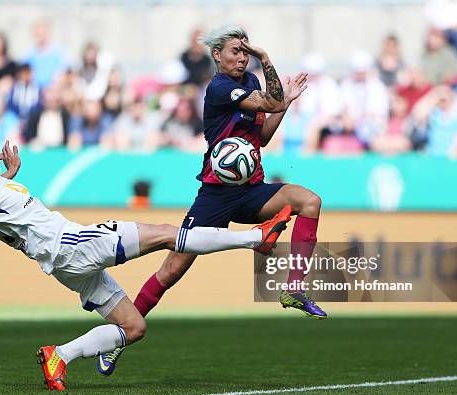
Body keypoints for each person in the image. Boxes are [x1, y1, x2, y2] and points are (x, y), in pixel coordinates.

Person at [0, 128, 291, 391]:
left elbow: (2, 205)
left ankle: (58, 356)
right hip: (73, 245)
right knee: (163, 233)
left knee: (134, 327)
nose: (1, 154)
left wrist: (9, 175)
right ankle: (256, 238)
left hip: (66, 265)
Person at [97, 25, 326, 376]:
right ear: (217, 55)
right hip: (215, 196)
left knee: (310, 201)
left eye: (246, 52)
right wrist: (267, 62)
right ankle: (119, 337)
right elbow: (273, 99)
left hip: (251, 190)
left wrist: (285, 104)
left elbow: (262, 138)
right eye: (236, 51)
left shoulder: (249, 84)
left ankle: (293, 288)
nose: (242, 57)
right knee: (171, 270)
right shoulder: (220, 88)